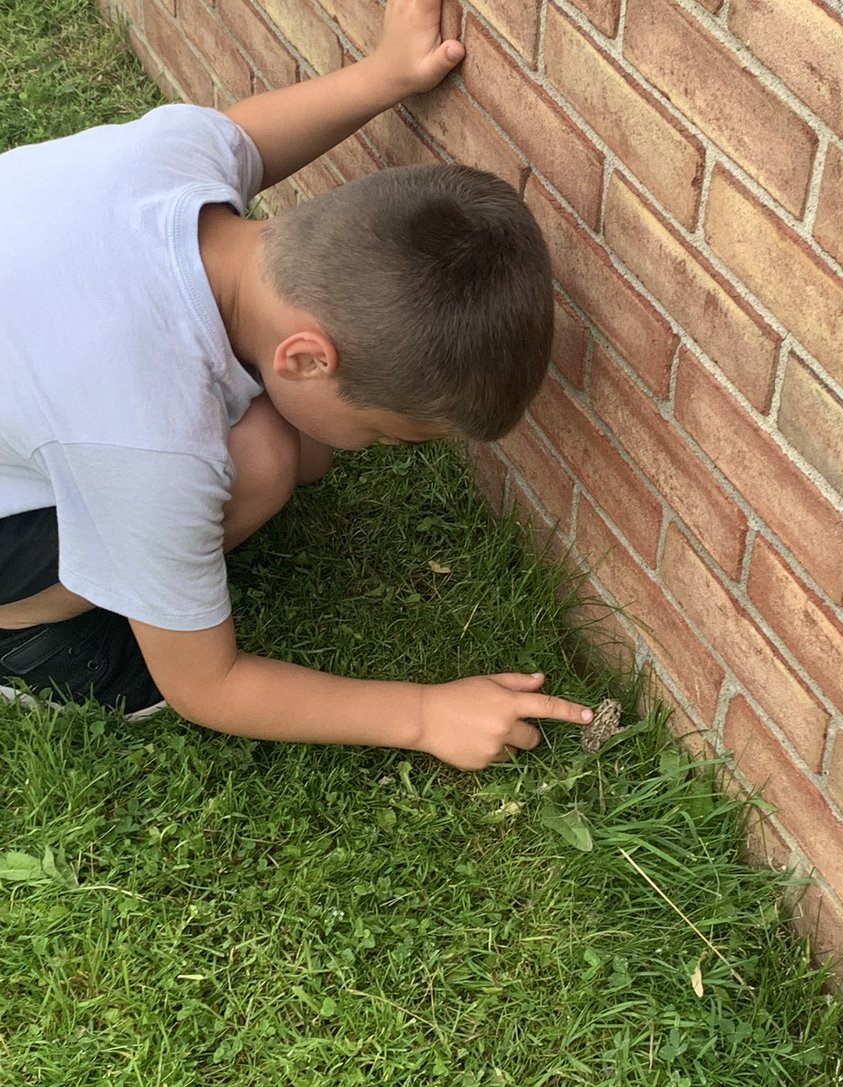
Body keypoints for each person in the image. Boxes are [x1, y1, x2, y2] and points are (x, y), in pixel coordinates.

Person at [0, 0, 594, 771]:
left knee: (283, 446)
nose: (373, 450)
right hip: (68, 460)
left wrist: (385, 75)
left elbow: (247, 135)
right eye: (382, 431)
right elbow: (208, 687)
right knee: (267, 462)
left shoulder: (173, 159)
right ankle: (24, 632)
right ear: (305, 358)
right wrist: (423, 713)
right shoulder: (146, 443)